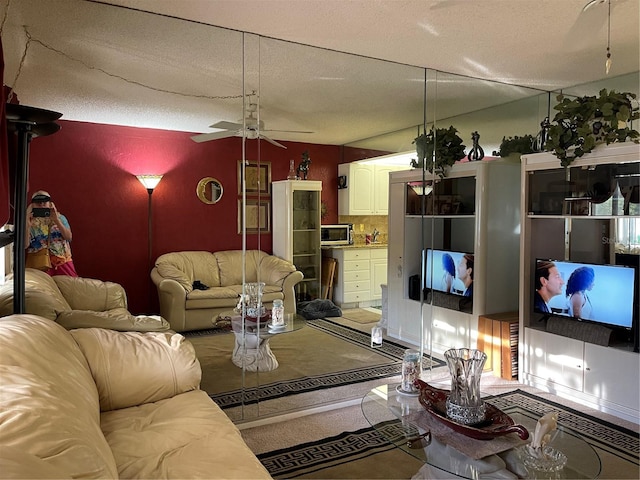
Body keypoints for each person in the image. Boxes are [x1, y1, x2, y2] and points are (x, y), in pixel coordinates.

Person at [25, 190, 78, 277]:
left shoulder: (60, 218)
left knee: (70, 286)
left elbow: (69, 237)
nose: (41, 204)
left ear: (50, 204)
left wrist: (56, 220)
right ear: (32, 205)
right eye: (38, 202)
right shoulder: (28, 221)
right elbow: (25, 245)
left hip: (62, 261)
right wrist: (27, 223)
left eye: (44, 202)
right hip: (39, 263)